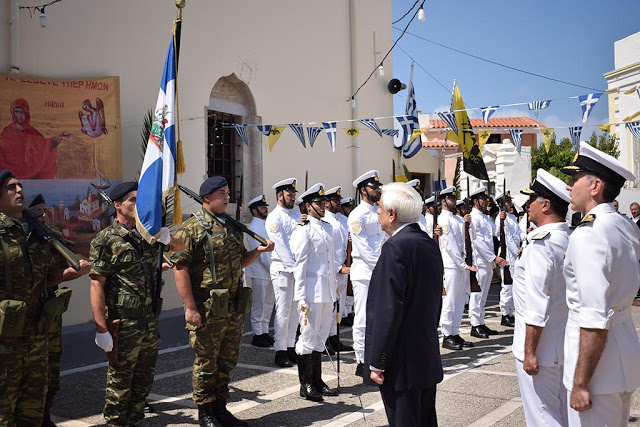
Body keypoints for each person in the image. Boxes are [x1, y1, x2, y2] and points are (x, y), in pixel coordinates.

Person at [171, 176, 274, 427]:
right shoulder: (191, 228)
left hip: (232, 306)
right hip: (207, 308)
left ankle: (220, 408)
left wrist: (257, 253)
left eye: (228, 192)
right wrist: (190, 307)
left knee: (227, 360)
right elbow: (180, 268)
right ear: (206, 198)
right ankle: (205, 412)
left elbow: (239, 262)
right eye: (221, 193)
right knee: (207, 361)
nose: (227, 197)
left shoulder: (231, 226)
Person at [0, 170, 90, 426]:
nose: (19, 191)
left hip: (37, 335)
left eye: (19, 186)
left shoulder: (37, 232)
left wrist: (69, 273)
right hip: (5, 339)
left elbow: (47, 277)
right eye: (10, 187)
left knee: (33, 410)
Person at [560, 141, 640, 426]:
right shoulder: (624, 225)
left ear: (595, 187)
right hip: (622, 356)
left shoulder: (589, 234)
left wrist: (581, 382)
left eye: (574, 179)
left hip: (597, 371)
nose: (569, 186)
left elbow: (593, 316)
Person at [89, 181, 180, 426]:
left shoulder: (147, 235)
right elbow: (97, 283)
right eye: (132, 200)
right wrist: (101, 328)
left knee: (142, 384)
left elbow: (180, 247)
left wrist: (166, 237)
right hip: (124, 322)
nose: (138, 204)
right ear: (117, 205)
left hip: (149, 320)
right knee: (120, 387)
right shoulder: (106, 239)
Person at [364, 182, 444, 426]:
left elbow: (389, 310)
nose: (377, 213)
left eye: (380, 208)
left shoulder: (396, 248)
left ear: (392, 214)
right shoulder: (427, 243)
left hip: (401, 362)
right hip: (425, 353)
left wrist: (378, 361)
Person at [512, 169, 571, 426]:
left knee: (542, 417)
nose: (527, 205)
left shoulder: (541, 244)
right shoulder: (568, 238)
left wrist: (530, 352)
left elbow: (537, 303)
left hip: (542, 347)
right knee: (564, 414)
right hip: (564, 342)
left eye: (532, 199)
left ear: (545, 205)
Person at [290, 183, 341, 401]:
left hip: (327, 292)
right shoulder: (304, 230)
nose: (323, 206)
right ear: (308, 207)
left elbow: (329, 263)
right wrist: (301, 296)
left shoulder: (328, 227)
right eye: (319, 203)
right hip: (310, 293)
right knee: (308, 337)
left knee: (320, 338)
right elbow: (300, 264)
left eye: (324, 202)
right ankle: (306, 384)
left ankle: (317, 381)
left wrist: (335, 290)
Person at [348, 170, 384, 376]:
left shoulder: (379, 211)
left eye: (378, 187)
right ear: (363, 190)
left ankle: (375, 355)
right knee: (362, 317)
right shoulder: (357, 215)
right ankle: (361, 358)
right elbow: (362, 247)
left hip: (379, 270)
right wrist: (380, 267)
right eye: (373, 187)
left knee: (378, 316)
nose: (377, 190)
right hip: (364, 271)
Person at [265, 178, 302, 368]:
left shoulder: (297, 214)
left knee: (295, 310)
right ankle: (279, 350)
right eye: (290, 194)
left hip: (297, 269)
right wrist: (294, 266)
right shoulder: (274, 217)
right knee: (283, 311)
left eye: (294, 194)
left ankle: (290, 346)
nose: (293, 197)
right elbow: (279, 245)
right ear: (280, 196)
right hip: (283, 269)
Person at [438, 186, 476, 350]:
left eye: (454, 198)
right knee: (451, 300)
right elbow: (449, 245)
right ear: (444, 201)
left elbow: (470, 238)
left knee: (460, 300)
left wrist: (469, 223)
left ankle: (455, 331)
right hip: (451, 265)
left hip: (461, 264)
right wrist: (463, 264)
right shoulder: (443, 220)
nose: (454, 201)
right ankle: (447, 334)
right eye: (451, 199)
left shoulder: (457, 219)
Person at [468, 186, 508, 339]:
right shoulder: (473, 218)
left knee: (483, 295)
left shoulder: (485, 218)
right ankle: (475, 324)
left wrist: (501, 219)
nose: (486, 202)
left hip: (488, 263)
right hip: (480, 262)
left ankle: (480, 322)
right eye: (483, 199)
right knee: (477, 294)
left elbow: (496, 233)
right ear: (476, 201)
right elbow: (478, 242)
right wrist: (494, 258)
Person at [0, 99, 70, 179]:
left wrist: (58, 139)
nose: (19, 115)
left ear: (26, 114)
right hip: (11, 176)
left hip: (31, 174)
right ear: (13, 114)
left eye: (22, 112)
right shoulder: (7, 133)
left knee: (49, 166)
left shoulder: (32, 132)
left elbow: (43, 146)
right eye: (17, 112)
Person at [322, 186, 352, 352]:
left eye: (339, 200)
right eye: (335, 200)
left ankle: (334, 337)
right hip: (333, 271)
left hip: (342, 269)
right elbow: (327, 251)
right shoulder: (325, 221)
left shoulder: (341, 220)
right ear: (326, 203)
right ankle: (326, 338)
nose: (339, 203)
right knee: (329, 307)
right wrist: (338, 267)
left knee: (338, 307)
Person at [245, 195, 275, 348]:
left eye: (265, 206)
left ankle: (264, 331)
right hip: (261, 271)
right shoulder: (253, 228)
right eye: (262, 207)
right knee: (259, 304)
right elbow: (261, 252)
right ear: (255, 211)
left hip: (271, 271)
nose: (266, 209)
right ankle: (257, 333)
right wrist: (273, 269)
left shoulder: (266, 224)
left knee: (269, 303)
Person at [494, 191, 521, 327]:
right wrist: (500, 220)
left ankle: (510, 313)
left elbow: (517, 236)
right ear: (501, 204)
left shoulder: (512, 217)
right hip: (508, 255)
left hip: (515, 254)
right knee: (507, 286)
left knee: (513, 286)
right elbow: (500, 234)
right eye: (508, 202)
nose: (510, 204)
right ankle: (505, 314)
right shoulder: (501, 217)